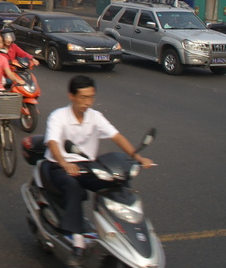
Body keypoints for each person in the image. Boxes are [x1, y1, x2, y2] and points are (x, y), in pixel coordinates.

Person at [44, 75, 154, 262]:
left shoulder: (95, 117)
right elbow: (53, 142)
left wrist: (137, 157)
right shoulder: (58, 116)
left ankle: (124, 228)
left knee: (119, 179)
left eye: (91, 97)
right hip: (59, 165)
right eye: (83, 97)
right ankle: (77, 239)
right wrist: (64, 163)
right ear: (71, 96)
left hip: (87, 165)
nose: (88, 102)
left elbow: (116, 136)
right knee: (73, 186)